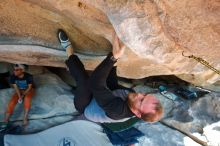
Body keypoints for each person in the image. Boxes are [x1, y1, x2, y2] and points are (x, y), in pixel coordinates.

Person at [58, 29, 163, 123]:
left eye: (141, 100)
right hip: (103, 97)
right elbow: (113, 86)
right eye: (144, 95)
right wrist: (114, 60)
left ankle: (68, 50)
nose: (139, 94)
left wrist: (113, 57)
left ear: (138, 114)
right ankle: (72, 68)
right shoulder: (133, 98)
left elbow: (94, 83)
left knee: (84, 81)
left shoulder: (118, 111)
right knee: (105, 73)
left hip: (86, 105)